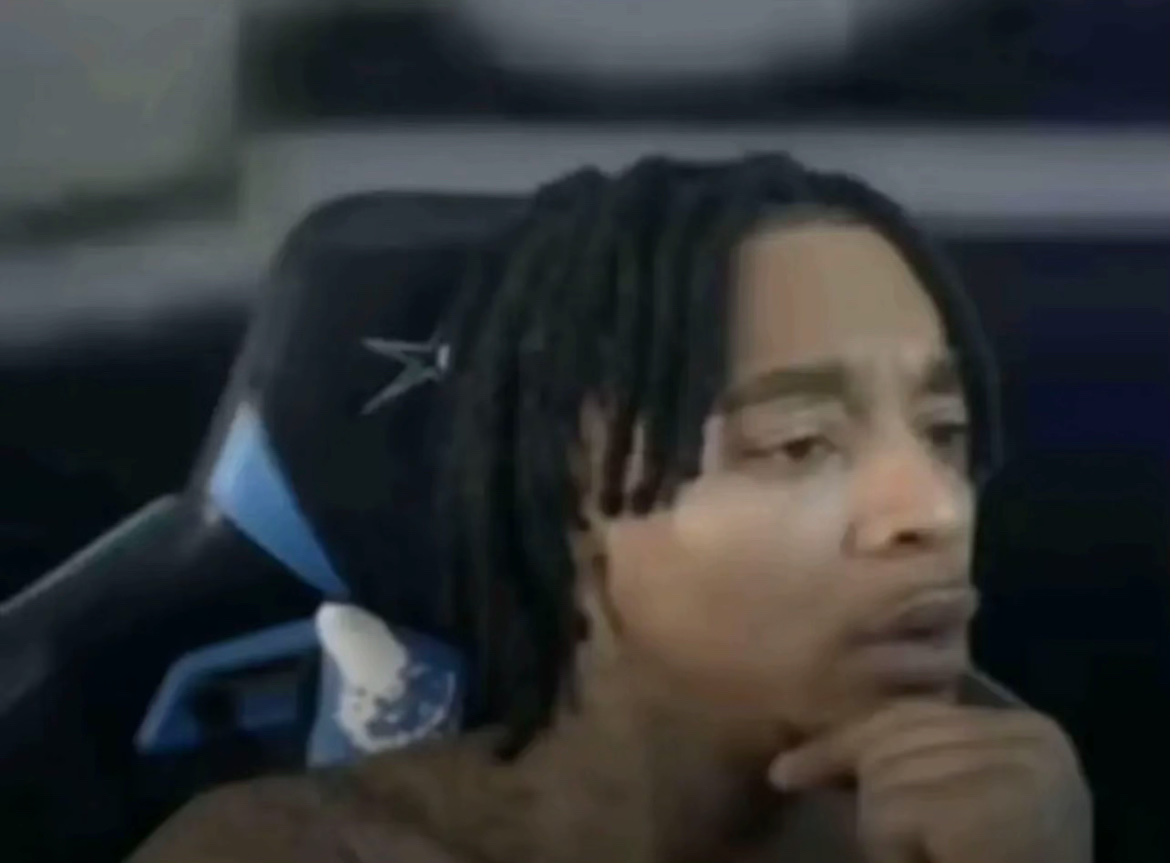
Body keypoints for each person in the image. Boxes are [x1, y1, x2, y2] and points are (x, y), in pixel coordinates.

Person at [128, 155, 1091, 862]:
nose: (933, 510)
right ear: (580, 491)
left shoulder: (1001, 827)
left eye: (944, 433)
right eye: (800, 443)